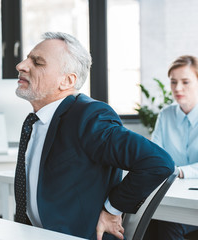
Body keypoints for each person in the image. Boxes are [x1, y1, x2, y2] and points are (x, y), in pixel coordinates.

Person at [13, 31, 175, 240]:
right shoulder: (39, 119)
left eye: (38, 62)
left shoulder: (89, 116)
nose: (21, 65)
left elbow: (158, 162)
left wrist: (112, 210)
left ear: (67, 80)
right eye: (27, 58)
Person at [144, 55, 198, 239]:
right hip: (170, 192)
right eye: (173, 82)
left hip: (192, 199)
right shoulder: (166, 115)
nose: (178, 88)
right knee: (146, 223)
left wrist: (180, 172)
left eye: (185, 82)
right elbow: (154, 156)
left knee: (169, 225)